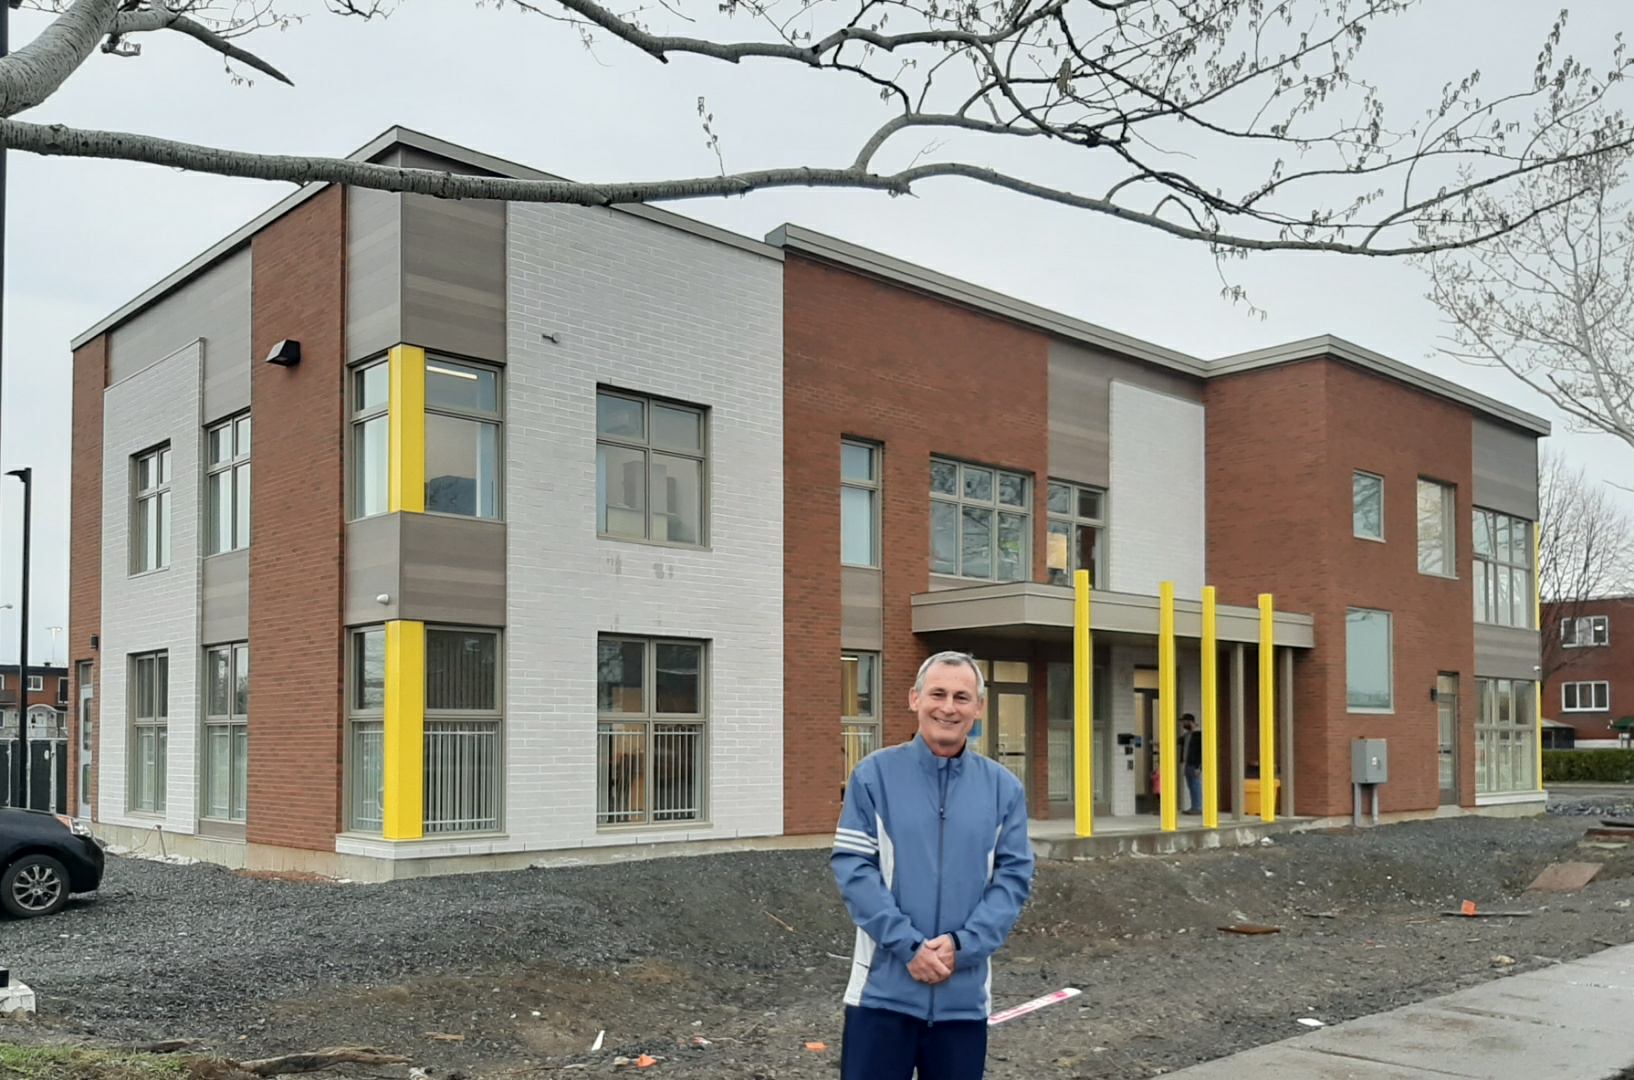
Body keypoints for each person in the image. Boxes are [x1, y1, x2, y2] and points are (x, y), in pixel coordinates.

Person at [831, 651, 1035, 1080]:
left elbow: (1013, 880)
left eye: (962, 697)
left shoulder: (1004, 790)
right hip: (881, 996)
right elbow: (854, 869)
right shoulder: (874, 776)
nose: (948, 707)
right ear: (914, 698)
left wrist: (963, 947)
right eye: (938, 693)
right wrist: (908, 946)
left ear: (978, 707)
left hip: (962, 1000)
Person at [1180, 713, 1203, 815]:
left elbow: (1202, 751)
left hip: (1194, 764)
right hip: (1187, 763)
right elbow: (1179, 742)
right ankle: (1193, 806)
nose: (1183, 724)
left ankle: (1197, 807)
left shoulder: (1199, 735)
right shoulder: (1187, 735)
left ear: (1190, 722)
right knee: (1190, 786)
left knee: (1195, 785)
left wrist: (1199, 767)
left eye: (1184, 722)